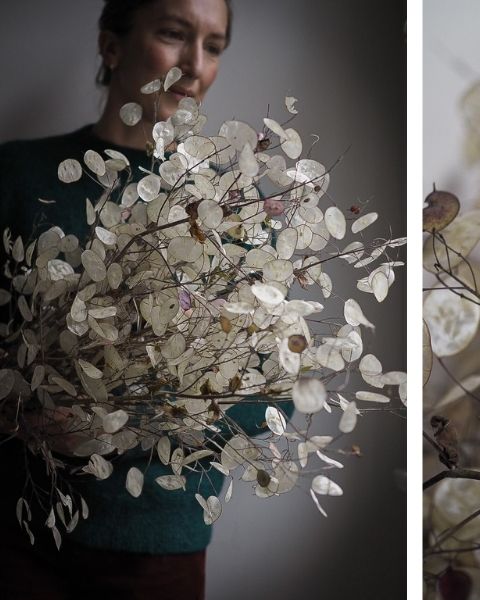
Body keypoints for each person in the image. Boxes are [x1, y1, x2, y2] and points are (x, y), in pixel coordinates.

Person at [0, 1, 288, 598]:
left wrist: (121, 423)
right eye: (173, 35)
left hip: (158, 545)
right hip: (16, 533)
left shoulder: (236, 210)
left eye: (213, 46)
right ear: (111, 46)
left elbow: (269, 395)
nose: (194, 65)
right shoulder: (20, 175)